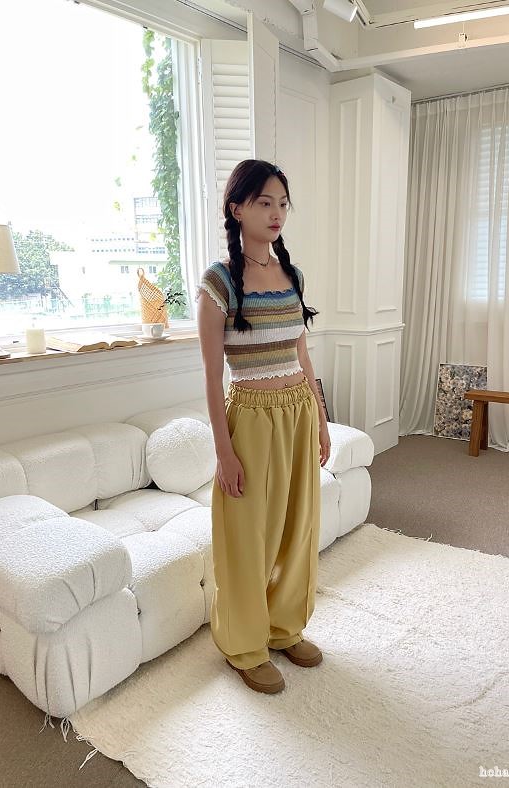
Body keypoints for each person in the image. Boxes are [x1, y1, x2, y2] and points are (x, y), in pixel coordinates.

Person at [195, 159, 331, 695]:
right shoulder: (219, 281)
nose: (277, 213)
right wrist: (224, 453)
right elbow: (211, 378)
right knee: (249, 537)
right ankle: (245, 645)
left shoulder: (291, 276)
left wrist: (321, 420)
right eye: (264, 203)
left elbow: (303, 356)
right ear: (237, 209)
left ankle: (284, 627)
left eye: (282, 204)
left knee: (299, 529)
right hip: (250, 417)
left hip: (298, 410)